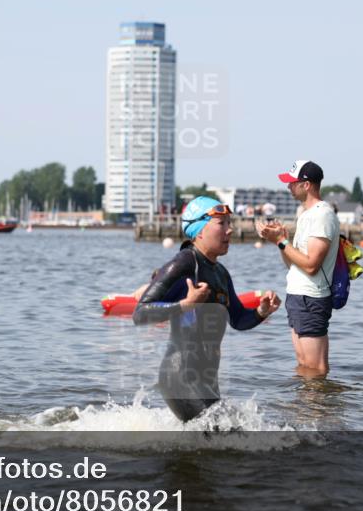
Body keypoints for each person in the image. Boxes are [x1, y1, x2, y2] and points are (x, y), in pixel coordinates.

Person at [133, 196, 281, 422]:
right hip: (180, 378)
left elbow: (239, 320)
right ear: (199, 230)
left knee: (221, 444)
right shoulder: (184, 263)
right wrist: (185, 304)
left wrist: (262, 312)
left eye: (229, 223)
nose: (230, 230)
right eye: (222, 224)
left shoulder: (220, 273)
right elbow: (141, 313)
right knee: (229, 438)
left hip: (207, 380)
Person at [259, 160, 339, 379]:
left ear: (306, 185)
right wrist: (280, 242)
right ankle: (304, 411)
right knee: (303, 364)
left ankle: (318, 411)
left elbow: (312, 265)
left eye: (292, 182)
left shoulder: (322, 215)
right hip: (298, 296)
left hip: (311, 298)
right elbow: (294, 264)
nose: (288, 187)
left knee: (316, 368)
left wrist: (282, 242)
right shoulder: (305, 215)